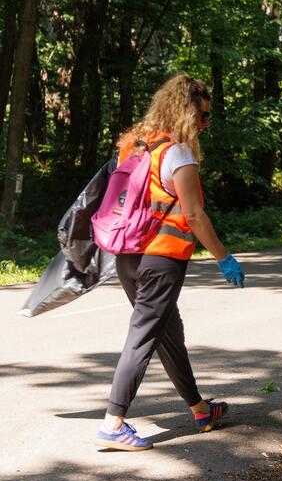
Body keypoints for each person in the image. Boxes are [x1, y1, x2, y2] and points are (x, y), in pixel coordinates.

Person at [95, 73, 245, 452]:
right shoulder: (179, 152)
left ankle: (199, 408)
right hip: (160, 259)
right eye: (203, 116)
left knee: (167, 331)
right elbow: (194, 215)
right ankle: (113, 422)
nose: (206, 124)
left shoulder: (135, 146)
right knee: (144, 334)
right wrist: (224, 258)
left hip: (127, 255)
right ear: (186, 112)